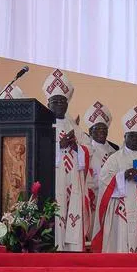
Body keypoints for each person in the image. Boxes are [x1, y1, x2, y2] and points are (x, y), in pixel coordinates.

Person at [93, 104, 137, 254]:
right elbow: (104, 180)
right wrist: (122, 176)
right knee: (123, 247)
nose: (134, 140)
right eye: (131, 136)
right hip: (123, 213)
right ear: (125, 136)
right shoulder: (115, 159)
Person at [43, 69, 90, 252]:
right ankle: (54, 246)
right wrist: (58, 146)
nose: (59, 105)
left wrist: (77, 147)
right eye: (55, 101)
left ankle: (72, 249)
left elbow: (89, 150)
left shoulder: (75, 128)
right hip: (54, 179)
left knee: (73, 212)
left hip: (74, 182)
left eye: (63, 101)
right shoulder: (43, 125)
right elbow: (37, 151)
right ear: (48, 103)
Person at [83, 100, 118, 244]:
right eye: (97, 129)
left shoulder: (116, 151)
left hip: (111, 198)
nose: (101, 132)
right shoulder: (86, 150)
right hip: (93, 199)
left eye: (104, 129)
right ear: (90, 131)